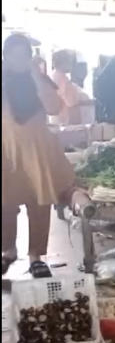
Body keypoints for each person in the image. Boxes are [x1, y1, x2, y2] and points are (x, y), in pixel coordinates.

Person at [1, 34, 76, 279]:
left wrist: (35, 75)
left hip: (36, 148)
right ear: (5, 56)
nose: (18, 60)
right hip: (5, 148)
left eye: (23, 55)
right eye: (13, 55)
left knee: (39, 201)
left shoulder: (40, 80)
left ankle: (36, 256)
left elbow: (54, 108)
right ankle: (8, 250)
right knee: (4, 202)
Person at [49, 50, 92, 126]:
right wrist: (76, 126)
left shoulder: (53, 76)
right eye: (70, 61)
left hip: (57, 121)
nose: (72, 64)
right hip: (67, 122)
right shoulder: (63, 80)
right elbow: (71, 105)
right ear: (63, 62)